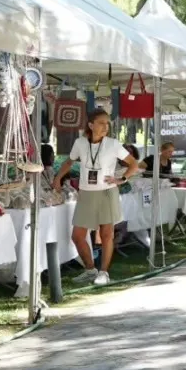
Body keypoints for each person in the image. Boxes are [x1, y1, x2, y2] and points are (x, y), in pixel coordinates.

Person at [51, 109, 139, 285]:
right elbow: (69, 161)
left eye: (107, 123)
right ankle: (90, 269)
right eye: (101, 123)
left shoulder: (113, 144)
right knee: (77, 236)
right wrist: (58, 178)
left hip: (107, 192)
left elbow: (133, 163)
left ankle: (104, 273)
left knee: (107, 234)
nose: (105, 126)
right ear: (91, 125)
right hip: (86, 193)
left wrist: (121, 179)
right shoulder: (80, 143)